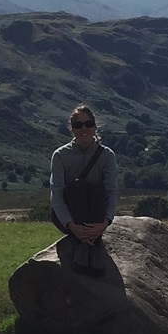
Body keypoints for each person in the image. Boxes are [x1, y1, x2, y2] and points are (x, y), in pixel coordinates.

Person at [49, 104, 118, 277]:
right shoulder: (60, 155)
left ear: (95, 126)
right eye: (78, 125)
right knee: (77, 188)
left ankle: (89, 245)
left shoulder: (107, 155)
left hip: (96, 214)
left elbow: (111, 191)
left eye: (88, 124)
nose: (84, 129)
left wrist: (105, 223)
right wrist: (72, 226)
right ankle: (89, 245)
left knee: (95, 189)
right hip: (71, 217)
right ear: (72, 129)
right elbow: (56, 194)